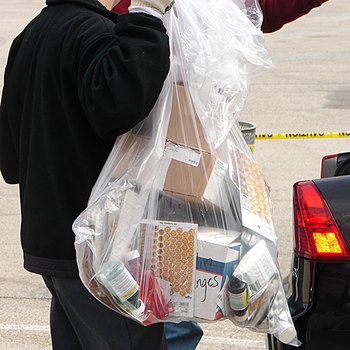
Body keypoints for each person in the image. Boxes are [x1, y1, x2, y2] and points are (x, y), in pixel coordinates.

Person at [111, 1, 329, 349]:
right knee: (158, 287)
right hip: (152, 161)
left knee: (177, 289)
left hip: (188, 161)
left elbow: (267, 10)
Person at [0, 0, 174, 349]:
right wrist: (148, 17)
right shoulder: (93, 33)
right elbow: (119, 103)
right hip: (97, 252)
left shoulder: (30, 36)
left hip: (52, 246)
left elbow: (10, 158)